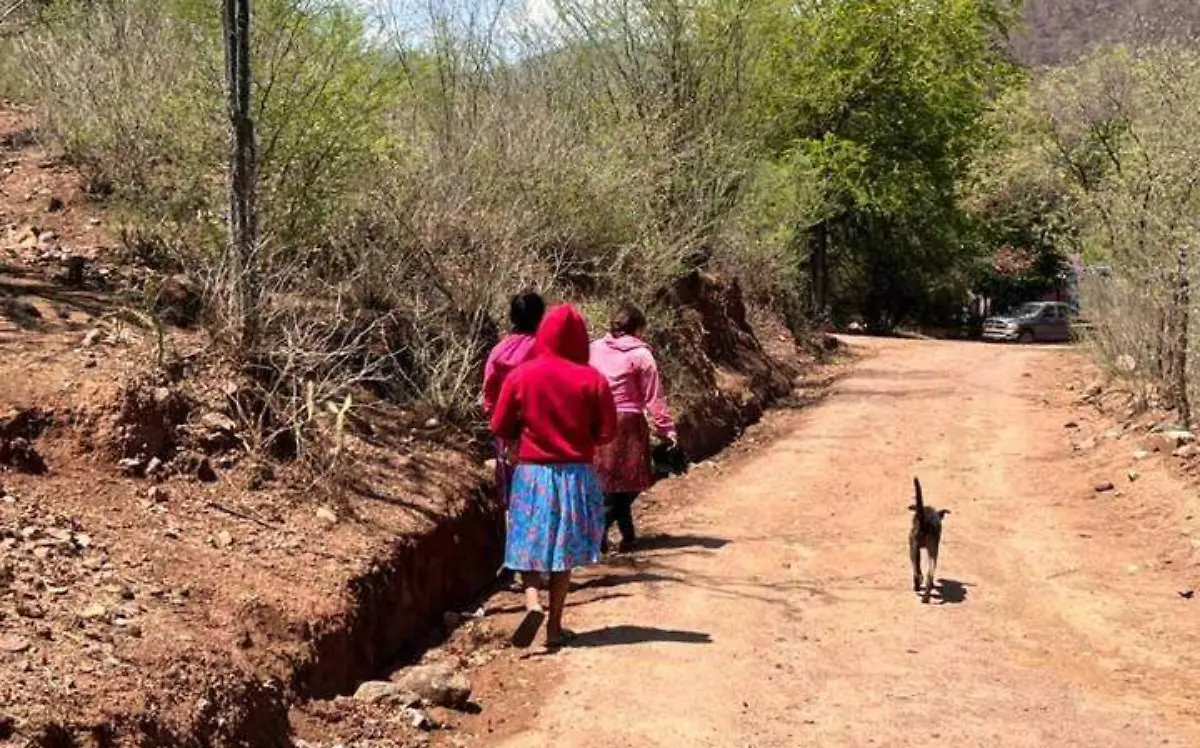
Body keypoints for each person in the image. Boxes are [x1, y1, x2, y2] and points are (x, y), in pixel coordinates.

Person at [490, 304, 617, 649]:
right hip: (575, 476)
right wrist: (585, 435)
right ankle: (554, 628)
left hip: (532, 473)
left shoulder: (521, 375)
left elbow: (499, 424)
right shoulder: (593, 379)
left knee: (528, 542)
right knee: (563, 553)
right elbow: (607, 431)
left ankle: (532, 601)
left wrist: (520, 436)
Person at [589, 303, 677, 553]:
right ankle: (600, 529)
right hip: (627, 423)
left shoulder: (593, 348)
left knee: (608, 481)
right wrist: (666, 429)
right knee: (629, 482)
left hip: (597, 419)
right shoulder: (641, 355)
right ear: (638, 329)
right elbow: (654, 396)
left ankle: (627, 537)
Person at [482, 292, 545, 604]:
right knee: (538, 496)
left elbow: (488, 392)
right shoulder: (543, 349)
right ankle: (536, 563)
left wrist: (498, 421)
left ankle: (515, 558)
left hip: (506, 432)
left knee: (511, 498)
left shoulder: (499, 349)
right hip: (537, 432)